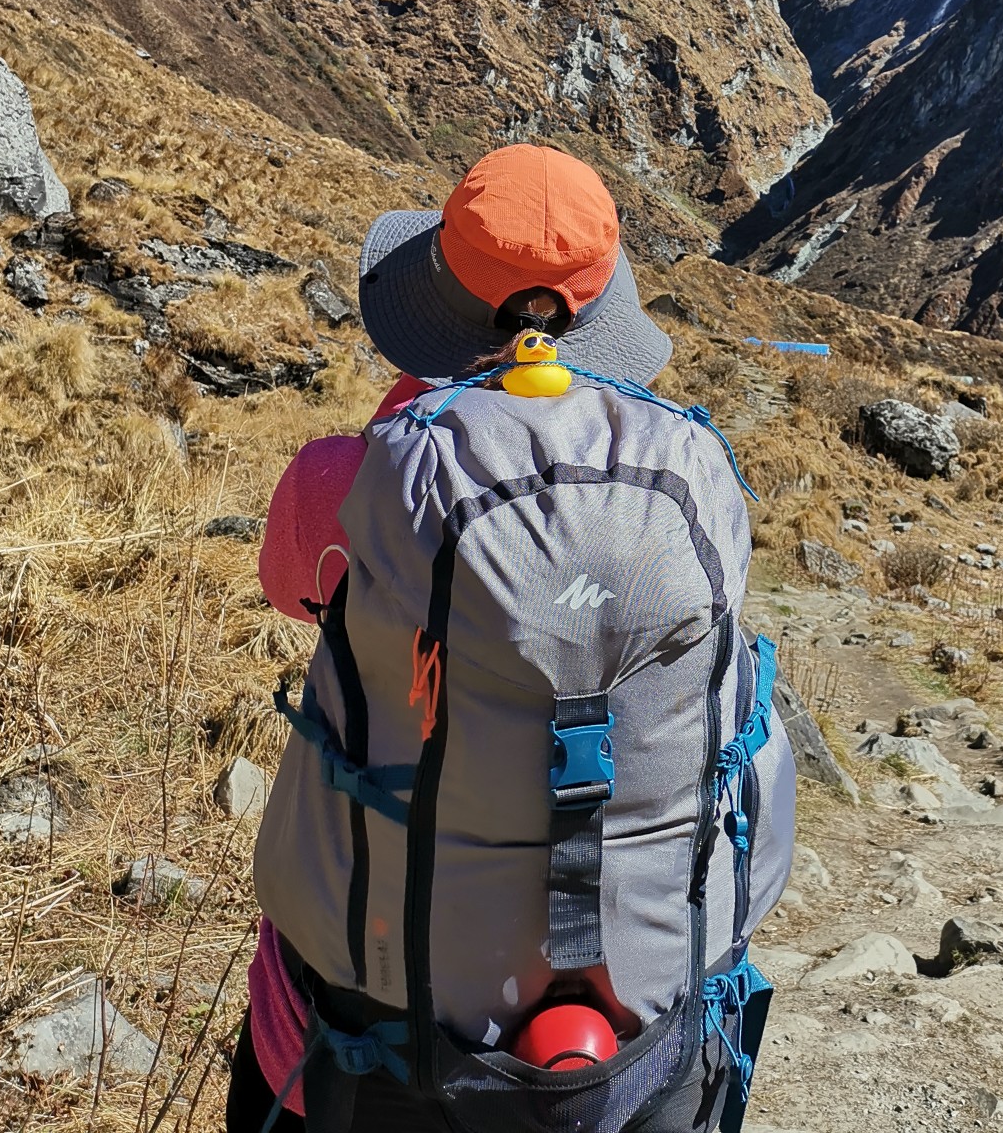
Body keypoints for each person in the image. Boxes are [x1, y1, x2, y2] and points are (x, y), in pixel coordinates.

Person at [227, 143, 794, 1133]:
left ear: (439, 307)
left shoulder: (347, 483)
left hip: (376, 1044)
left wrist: (412, 442)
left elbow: (291, 585)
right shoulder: (685, 483)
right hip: (644, 1039)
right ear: (596, 313)